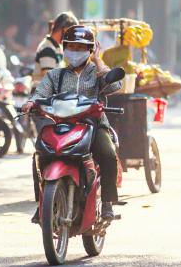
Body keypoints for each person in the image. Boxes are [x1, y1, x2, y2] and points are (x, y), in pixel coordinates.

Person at [22, 25, 122, 222]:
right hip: (62, 126)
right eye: (72, 47)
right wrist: (31, 102)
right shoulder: (55, 75)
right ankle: (42, 203)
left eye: (81, 48)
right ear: (65, 48)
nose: (75, 52)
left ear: (90, 50)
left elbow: (115, 85)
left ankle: (108, 202)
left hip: (93, 125)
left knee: (108, 155)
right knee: (39, 155)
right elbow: (41, 93)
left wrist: (98, 60)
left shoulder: (96, 72)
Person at [32, 11, 78, 82]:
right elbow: (50, 81)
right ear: (64, 29)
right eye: (71, 33)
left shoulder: (56, 47)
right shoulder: (48, 49)